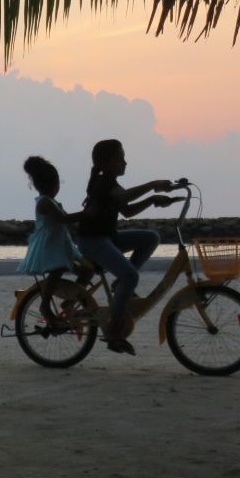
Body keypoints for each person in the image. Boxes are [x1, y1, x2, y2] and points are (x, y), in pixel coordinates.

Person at [76, 140, 180, 355]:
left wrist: (152, 200)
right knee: (130, 276)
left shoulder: (111, 183)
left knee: (150, 237)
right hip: (93, 241)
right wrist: (152, 185)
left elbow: (127, 211)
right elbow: (124, 198)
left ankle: (120, 285)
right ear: (106, 164)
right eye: (120, 158)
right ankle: (114, 330)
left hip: (107, 238)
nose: (125, 162)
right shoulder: (104, 182)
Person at [17, 156, 85, 322]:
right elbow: (64, 219)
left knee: (87, 271)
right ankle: (45, 304)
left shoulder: (50, 201)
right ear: (54, 184)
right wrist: (88, 214)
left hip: (61, 243)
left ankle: (69, 302)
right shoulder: (44, 203)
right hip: (50, 245)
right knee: (57, 270)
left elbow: (65, 221)